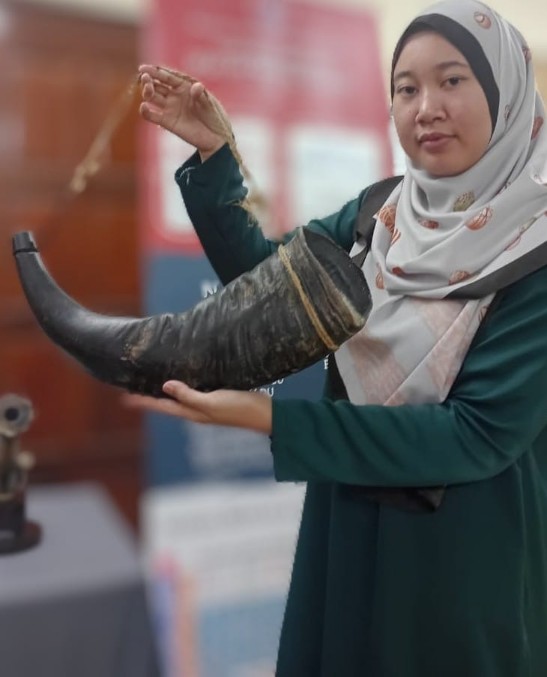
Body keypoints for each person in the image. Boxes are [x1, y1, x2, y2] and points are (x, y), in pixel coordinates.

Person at [128, 0, 547, 674]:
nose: (426, 108)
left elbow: (476, 435)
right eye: (405, 89)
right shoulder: (380, 212)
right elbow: (271, 288)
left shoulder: (537, 249)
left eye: (452, 80)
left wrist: (271, 418)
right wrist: (213, 155)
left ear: (506, 90)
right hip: (349, 514)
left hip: (464, 551)